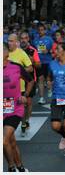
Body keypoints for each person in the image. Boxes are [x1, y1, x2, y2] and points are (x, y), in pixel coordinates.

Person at [4, 43, 34, 172]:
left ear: (6, 53)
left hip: (14, 108)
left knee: (4, 141)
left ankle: (11, 168)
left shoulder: (15, 67)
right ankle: (20, 167)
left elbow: (30, 80)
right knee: (11, 141)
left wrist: (25, 95)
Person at [8, 33, 34, 136]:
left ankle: (23, 123)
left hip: (20, 86)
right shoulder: (4, 53)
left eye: (11, 41)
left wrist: (17, 71)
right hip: (6, 88)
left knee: (21, 108)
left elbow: (30, 68)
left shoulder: (21, 53)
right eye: (8, 40)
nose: (9, 43)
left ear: (16, 42)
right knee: (8, 109)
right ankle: (8, 129)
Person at [19, 32, 41, 136]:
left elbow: (38, 65)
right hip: (17, 81)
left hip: (30, 80)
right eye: (21, 38)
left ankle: (26, 121)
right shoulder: (15, 51)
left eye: (25, 38)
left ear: (28, 39)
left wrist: (33, 61)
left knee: (28, 102)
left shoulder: (33, 50)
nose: (23, 40)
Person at [33, 23, 54, 104]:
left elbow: (54, 49)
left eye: (42, 30)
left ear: (45, 30)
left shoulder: (49, 39)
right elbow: (34, 50)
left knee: (48, 79)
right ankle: (41, 98)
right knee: (40, 79)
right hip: (39, 62)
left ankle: (49, 89)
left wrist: (48, 51)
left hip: (48, 61)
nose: (40, 31)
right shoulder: (35, 40)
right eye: (39, 30)